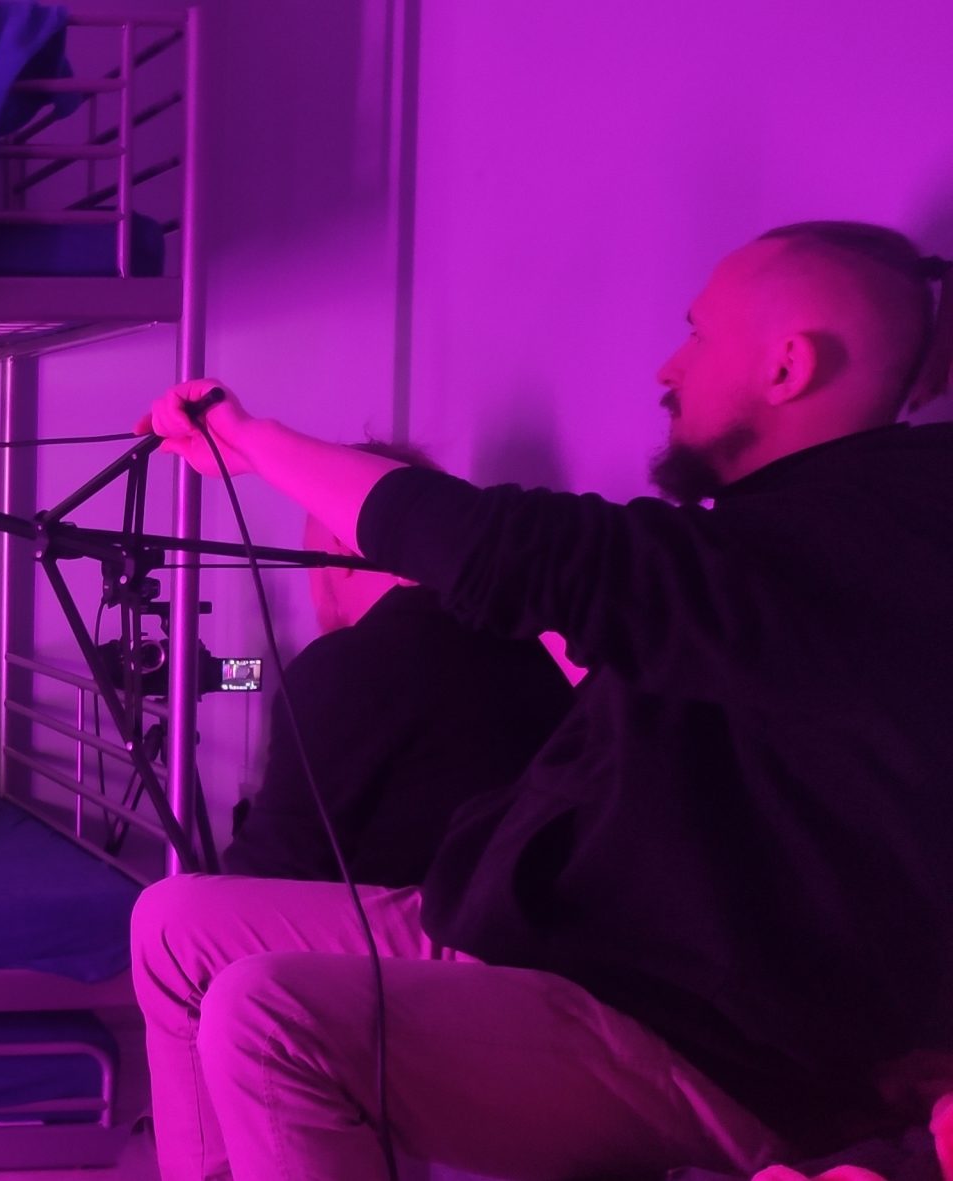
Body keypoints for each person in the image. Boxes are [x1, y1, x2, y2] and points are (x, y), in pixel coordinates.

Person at [127, 221, 953, 1181]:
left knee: (268, 1016)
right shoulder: (775, 553)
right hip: (544, 933)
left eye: (697, 332)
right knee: (173, 923)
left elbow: (525, 552)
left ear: (787, 366)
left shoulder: (862, 544)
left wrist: (252, 441)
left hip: (685, 1032)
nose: (669, 366)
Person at [221, 442, 574, 888]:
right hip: (537, 921)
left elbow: (266, 879)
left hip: (415, 927)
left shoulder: (345, 668)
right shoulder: (538, 649)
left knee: (174, 907)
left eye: (309, 556)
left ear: (340, 543)